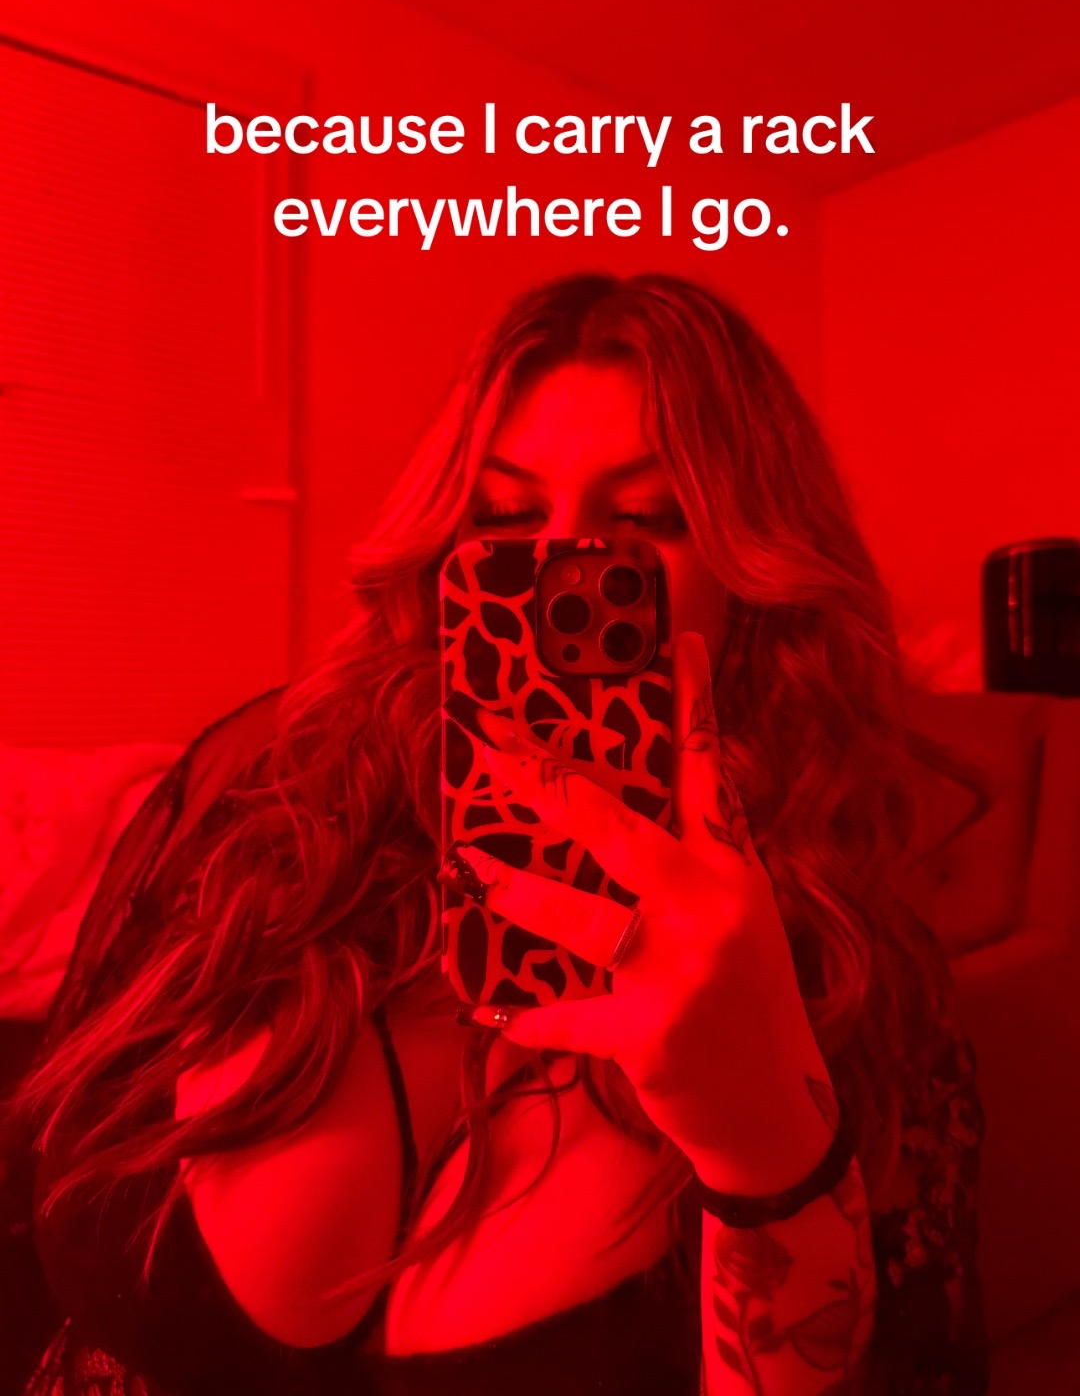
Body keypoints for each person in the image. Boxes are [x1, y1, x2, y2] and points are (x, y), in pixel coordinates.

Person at [6, 273, 988, 1396]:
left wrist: (770, 1146)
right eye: (508, 517)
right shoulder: (266, 797)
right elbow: (37, 1184)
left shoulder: (853, 986)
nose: (564, 562)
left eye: (647, 519)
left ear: (750, 574)